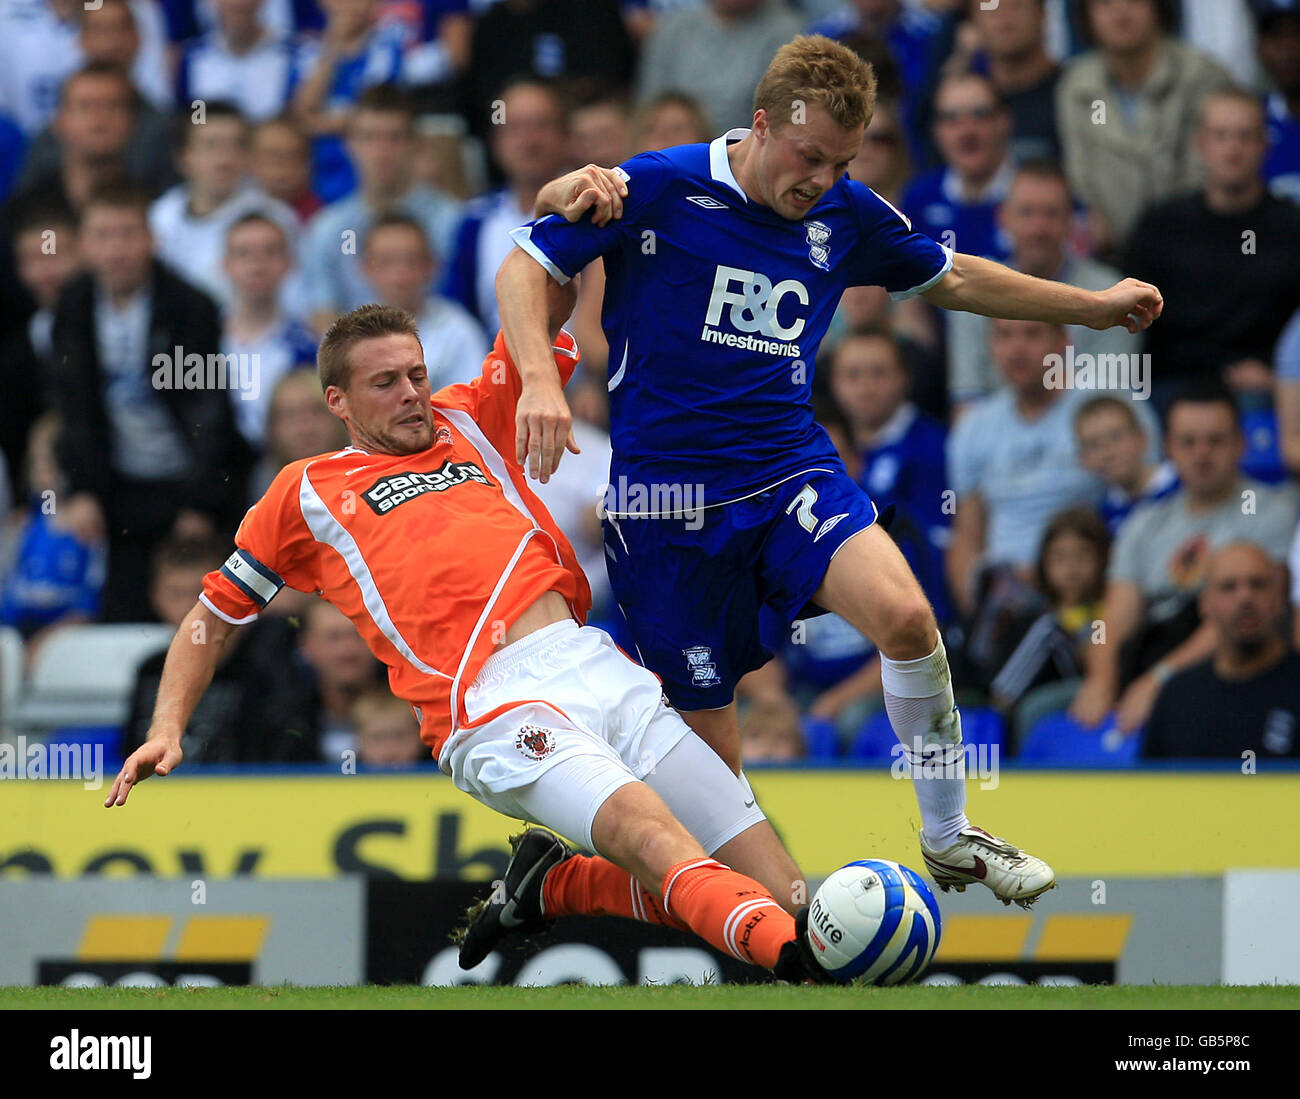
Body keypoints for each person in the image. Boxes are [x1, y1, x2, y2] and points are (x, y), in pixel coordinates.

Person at [497, 35, 1161, 906]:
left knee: (908, 616)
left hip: (788, 475)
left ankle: (950, 831)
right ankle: (556, 890)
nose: (821, 179)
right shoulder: (655, 186)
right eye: (809, 157)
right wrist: (541, 382)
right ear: (762, 124)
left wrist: (1096, 308)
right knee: (719, 823)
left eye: (841, 161)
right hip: (668, 520)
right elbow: (527, 262)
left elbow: (953, 277)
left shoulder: (845, 213)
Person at [103, 298, 833, 986]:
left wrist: (570, 204)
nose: (412, 393)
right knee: (655, 841)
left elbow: (545, 295)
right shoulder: (307, 490)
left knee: (782, 887)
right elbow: (213, 614)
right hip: (494, 704)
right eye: (385, 382)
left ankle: (560, 883)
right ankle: (800, 964)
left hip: (595, 663)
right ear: (339, 402)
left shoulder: (471, 416)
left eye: (417, 374)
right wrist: (166, 725)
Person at [50, 182, 248, 623]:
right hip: (118, 484)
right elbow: (73, 404)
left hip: (189, 482)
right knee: (124, 610)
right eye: (102, 236)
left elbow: (208, 410)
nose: (115, 250)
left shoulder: (189, 305)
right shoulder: (74, 304)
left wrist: (202, 501)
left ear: (150, 239)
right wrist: (80, 488)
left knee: (205, 613)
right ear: (83, 244)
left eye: (126, 234)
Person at [1071, 386, 1300, 734]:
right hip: (1147, 663)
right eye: (1189, 442)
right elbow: (1111, 623)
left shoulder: (1271, 510)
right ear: (1169, 448)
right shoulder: (1143, 523)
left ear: (1241, 443)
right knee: (1042, 712)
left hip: (1231, 667)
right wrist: (1101, 681)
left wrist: (1160, 680)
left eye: (1215, 440)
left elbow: (1244, 609)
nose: (1202, 453)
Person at [1125, 87, 1300, 401]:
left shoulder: (1292, 228)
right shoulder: (1161, 226)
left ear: (1264, 144)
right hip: (1173, 388)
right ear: (1201, 144)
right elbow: (1134, 324)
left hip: (1269, 389)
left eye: (1244, 136)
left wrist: (1280, 376)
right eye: (1221, 136)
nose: (1233, 149)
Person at [1056, 0, 1234, 258]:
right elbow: (1079, 180)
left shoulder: (1203, 78)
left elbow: (1204, 178)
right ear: (1087, 16)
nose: (1120, 11)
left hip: (1195, 248)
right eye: (1105, 3)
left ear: (1158, 8)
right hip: (1108, 257)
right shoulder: (1076, 85)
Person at [1142, 541, 1300, 759]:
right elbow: (1151, 788)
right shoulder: (1177, 696)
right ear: (1205, 604)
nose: (1245, 597)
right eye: (1228, 587)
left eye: (1258, 584)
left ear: (1280, 598)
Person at [361, 213, 488, 389]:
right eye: (386, 262)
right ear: (365, 268)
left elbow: (472, 404)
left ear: (431, 265)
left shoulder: (459, 330)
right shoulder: (348, 335)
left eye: (411, 261)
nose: (400, 275)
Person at [1074, 393, 1178, 535]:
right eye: (1094, 445)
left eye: (1116, 437)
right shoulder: (1102, 517)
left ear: (1142, 438)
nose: (1108, 453)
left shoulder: (1184, 483)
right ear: (1083, 459)